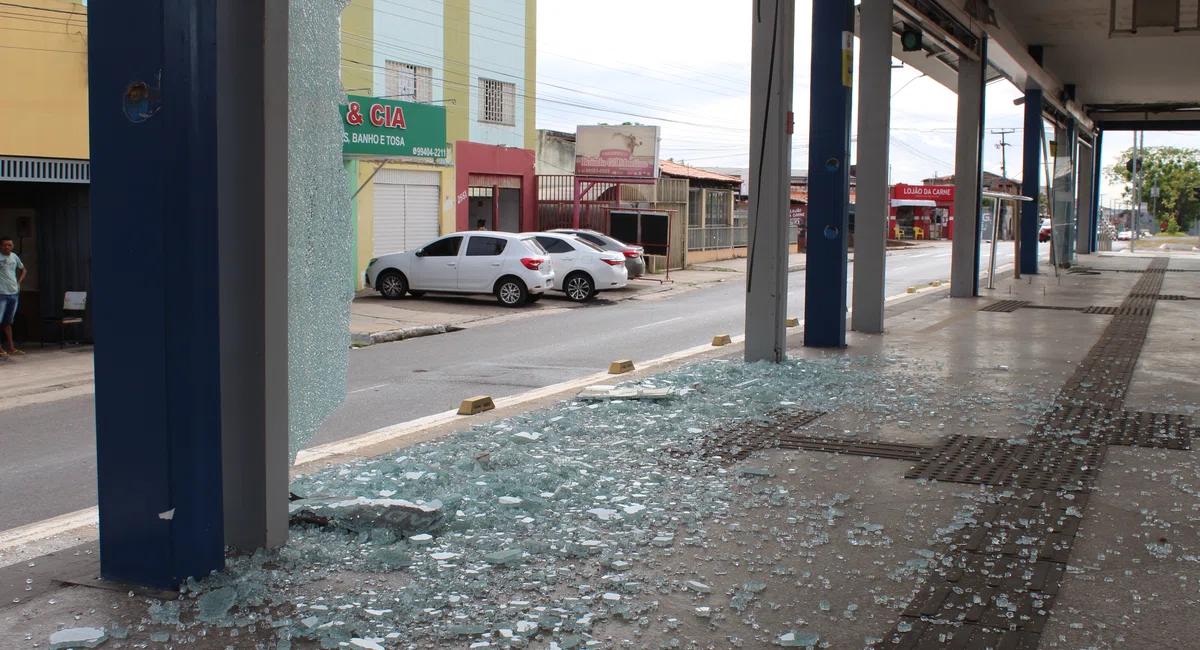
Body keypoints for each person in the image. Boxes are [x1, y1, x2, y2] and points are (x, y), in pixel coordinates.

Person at [0, 235, 26, 357]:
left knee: (8, 322)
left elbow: (23, 269)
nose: (7, 247)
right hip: (1, 293)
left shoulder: (14, 257)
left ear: (13, 246)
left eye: (9, 245)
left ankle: (11, 347)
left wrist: (18, 282)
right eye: (4, 245)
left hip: (13, 293)